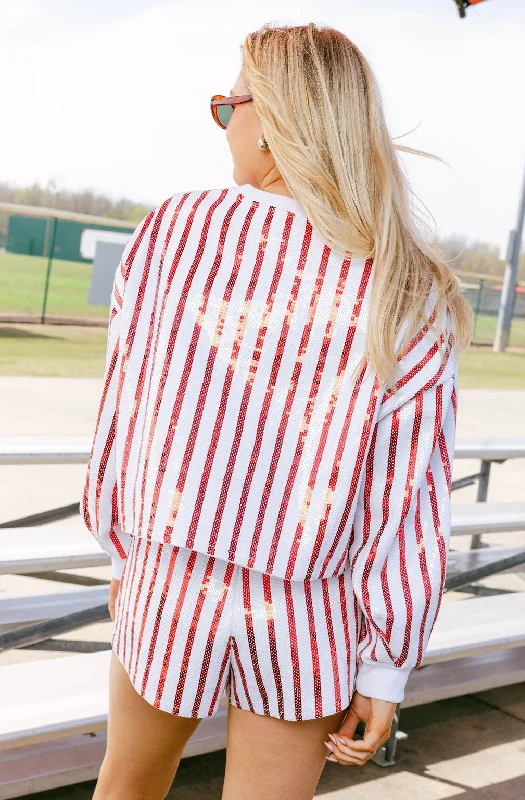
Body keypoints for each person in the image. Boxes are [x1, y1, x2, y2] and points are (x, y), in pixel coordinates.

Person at [81, 21, 473, 800]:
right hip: (308, 610)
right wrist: (384, 668)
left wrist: (124, 550)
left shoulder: (175, 232)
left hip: (167, 575)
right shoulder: (405, 282)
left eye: (231, 106)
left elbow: (123, 415)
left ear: (272, 123)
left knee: (125, 788)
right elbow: (407, 500)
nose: (227, 123)